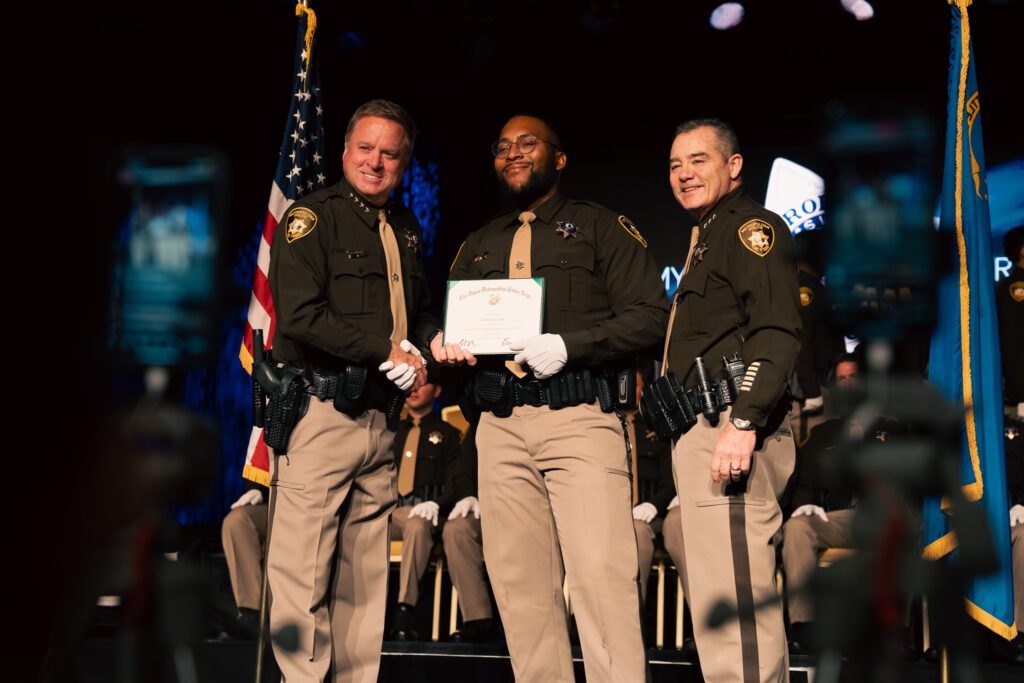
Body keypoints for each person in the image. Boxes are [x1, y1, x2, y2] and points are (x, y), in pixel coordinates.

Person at [441, 114, 669, 682]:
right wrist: (442, 344)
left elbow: (651, 317)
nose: (513, 153)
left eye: (527, 143)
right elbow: (447, 325)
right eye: (502, 146)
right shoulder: (477, 244)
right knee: (520, 590)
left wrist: (572, 344)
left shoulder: (602, 227)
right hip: (499, 427)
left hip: (580, 418)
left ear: (559, 158)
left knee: (600, 581)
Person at [265, 99, 439, 682]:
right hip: (322, 413)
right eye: (365, 148)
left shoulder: (407, 228)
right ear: (344, 152)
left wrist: (432, 341)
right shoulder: (311, 218)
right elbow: (298, 317)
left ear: (404, 163)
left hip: (379, 421)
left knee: (364, 579)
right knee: (302, 571)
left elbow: (414, 316)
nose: (376, 161)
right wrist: (383, 351)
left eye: (390, 153)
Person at [660, 118, 801, 682]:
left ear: (734, 166)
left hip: (731, 428)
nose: (684, 174)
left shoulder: (750, 229)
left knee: (738, 608)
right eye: (675, 164)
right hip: (707, 429)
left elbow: (776, 331)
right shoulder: (708, 235)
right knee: (723, 606)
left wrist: (742, 422)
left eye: (699, 160)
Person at [387, 382, 464, 641]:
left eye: (422, 382)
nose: (415, 388)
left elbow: (456, 481)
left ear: (438, 390)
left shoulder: (448, 433)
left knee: (417, 525)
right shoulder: (391, 429)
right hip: (390, 510)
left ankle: (404, 610)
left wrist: (437, 503)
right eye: (411, 383)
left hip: (427, 511)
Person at [441, 422, 497, 643]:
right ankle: (478, 619)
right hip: (486, 508)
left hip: (532, 507)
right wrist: (468, 495)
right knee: (457, 528)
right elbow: (462, 468)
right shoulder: (482, 419)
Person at [221, 483, 269, 640]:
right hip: (273, 500)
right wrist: (259, 489)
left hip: (308, 501)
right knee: (237, 521)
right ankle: (251, 611)